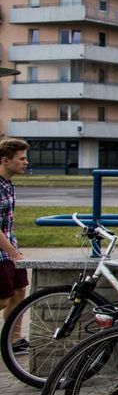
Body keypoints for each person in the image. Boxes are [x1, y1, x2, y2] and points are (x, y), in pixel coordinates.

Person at [0, 138, 31, 354]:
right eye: (21, 158)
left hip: (10, 249)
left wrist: (14, 250)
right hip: (3, 253)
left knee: (20, 292)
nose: (26, 162)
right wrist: (12, 252)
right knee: (2, 298)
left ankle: (13, 340)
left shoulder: (8, 184)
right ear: (5, 160)